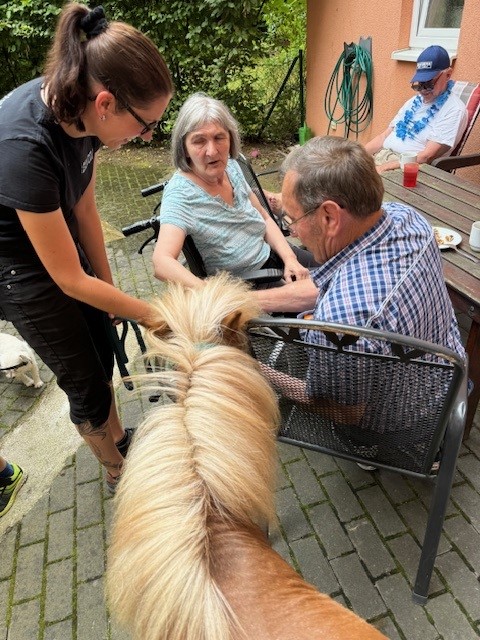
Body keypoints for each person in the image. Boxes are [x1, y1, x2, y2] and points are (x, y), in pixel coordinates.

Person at [0, 4, 173, 494]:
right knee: (84, 377)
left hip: (54, 244)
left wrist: (112, 294)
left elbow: (86, 212)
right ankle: (118, 470)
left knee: (102, 346)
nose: (147, 137)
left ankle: (121, 438)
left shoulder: (85, 119)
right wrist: (150, 313)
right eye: (145, 125)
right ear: (105, 103)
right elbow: (67, 279)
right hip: (17, 268)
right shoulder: (24, 144)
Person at [254, 135, 465, 361]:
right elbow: (329, 285)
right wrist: (246, 301)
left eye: (293, 219)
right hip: (450, 371)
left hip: (403, 396)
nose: (294, 232)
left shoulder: (340, 330)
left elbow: (319, 396)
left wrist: (252, 369)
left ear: (330, 217)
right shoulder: (411, 219)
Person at [152, 93, 318, 290]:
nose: (212, 151)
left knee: (336, 269)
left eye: (219, 137)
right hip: (250, 282)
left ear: (230, 138)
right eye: (199, 141)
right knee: (323, 293)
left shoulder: (231, 166)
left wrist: (290, 259)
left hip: (275, 254)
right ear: (184, 148)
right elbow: (161, 262)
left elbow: (264, 218)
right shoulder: (180, 195)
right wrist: (212, 294)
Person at [365, 45, 468, 173]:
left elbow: (426, 157)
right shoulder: (413, 102)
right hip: (380, 157)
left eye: (429, 83)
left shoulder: (453, 110)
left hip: (405, 169)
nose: (423, 89)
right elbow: (384, 136)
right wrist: (357, 154)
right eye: (420, 83)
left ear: (448, 75)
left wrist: (382, 168)